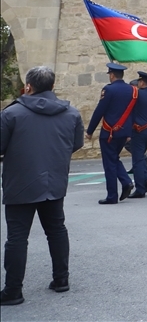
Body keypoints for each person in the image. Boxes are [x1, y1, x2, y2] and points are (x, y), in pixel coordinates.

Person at [0, 66, 84, 306]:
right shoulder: (71, 113)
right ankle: (61, 279)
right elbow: (75, 143)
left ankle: (13, 290)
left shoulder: (11, 113)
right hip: (54, 180)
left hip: (20, 181)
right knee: (56, 230)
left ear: (28, 86)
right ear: (53, 86)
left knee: (17, 237)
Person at [85, 63, 137, 203]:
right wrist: (129, 132)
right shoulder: (132, 90)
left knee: (109, 164)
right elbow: (133, 112)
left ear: (112, 75)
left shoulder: (108, 89)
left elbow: (99, 111)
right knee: (113, 158)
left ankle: (112, 196)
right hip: (124, 132)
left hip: (109, 132)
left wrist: (90, 130)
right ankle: (126, 182)